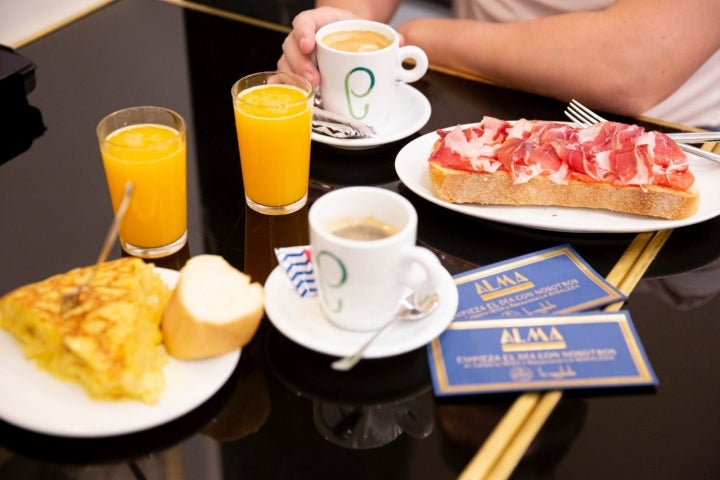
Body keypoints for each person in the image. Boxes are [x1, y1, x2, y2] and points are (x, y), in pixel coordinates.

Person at [278, 0, 720, 129]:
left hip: (675, 139)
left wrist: (427, 38)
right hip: (481, 110)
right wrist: (342, 19)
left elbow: (632, 66)